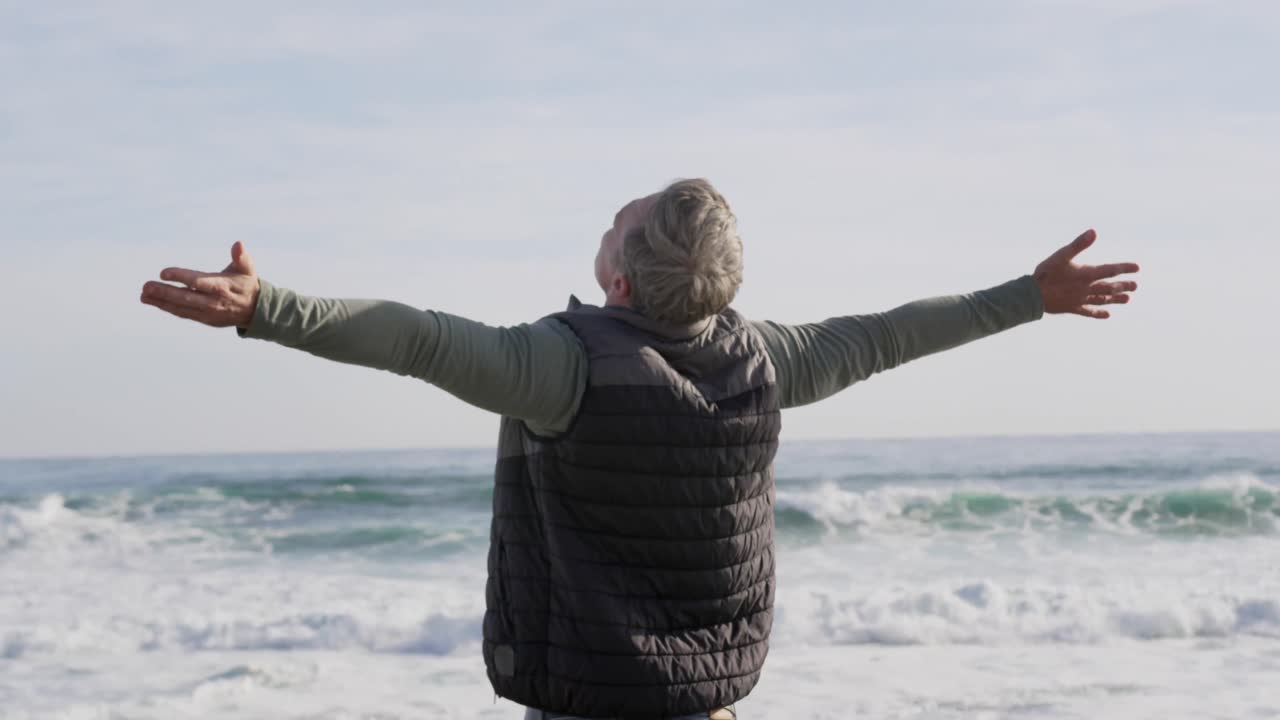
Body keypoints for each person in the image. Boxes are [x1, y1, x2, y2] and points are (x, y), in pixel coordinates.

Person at [140, 178, 1139, 719]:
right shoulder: (769, 361)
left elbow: (413, 338)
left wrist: (267, 308)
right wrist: (1028, 298)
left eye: (618, 223)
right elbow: (890, 334)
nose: (612, 218)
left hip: (588, 706)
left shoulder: (558, 366)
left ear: (618, 282)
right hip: (708, 704)